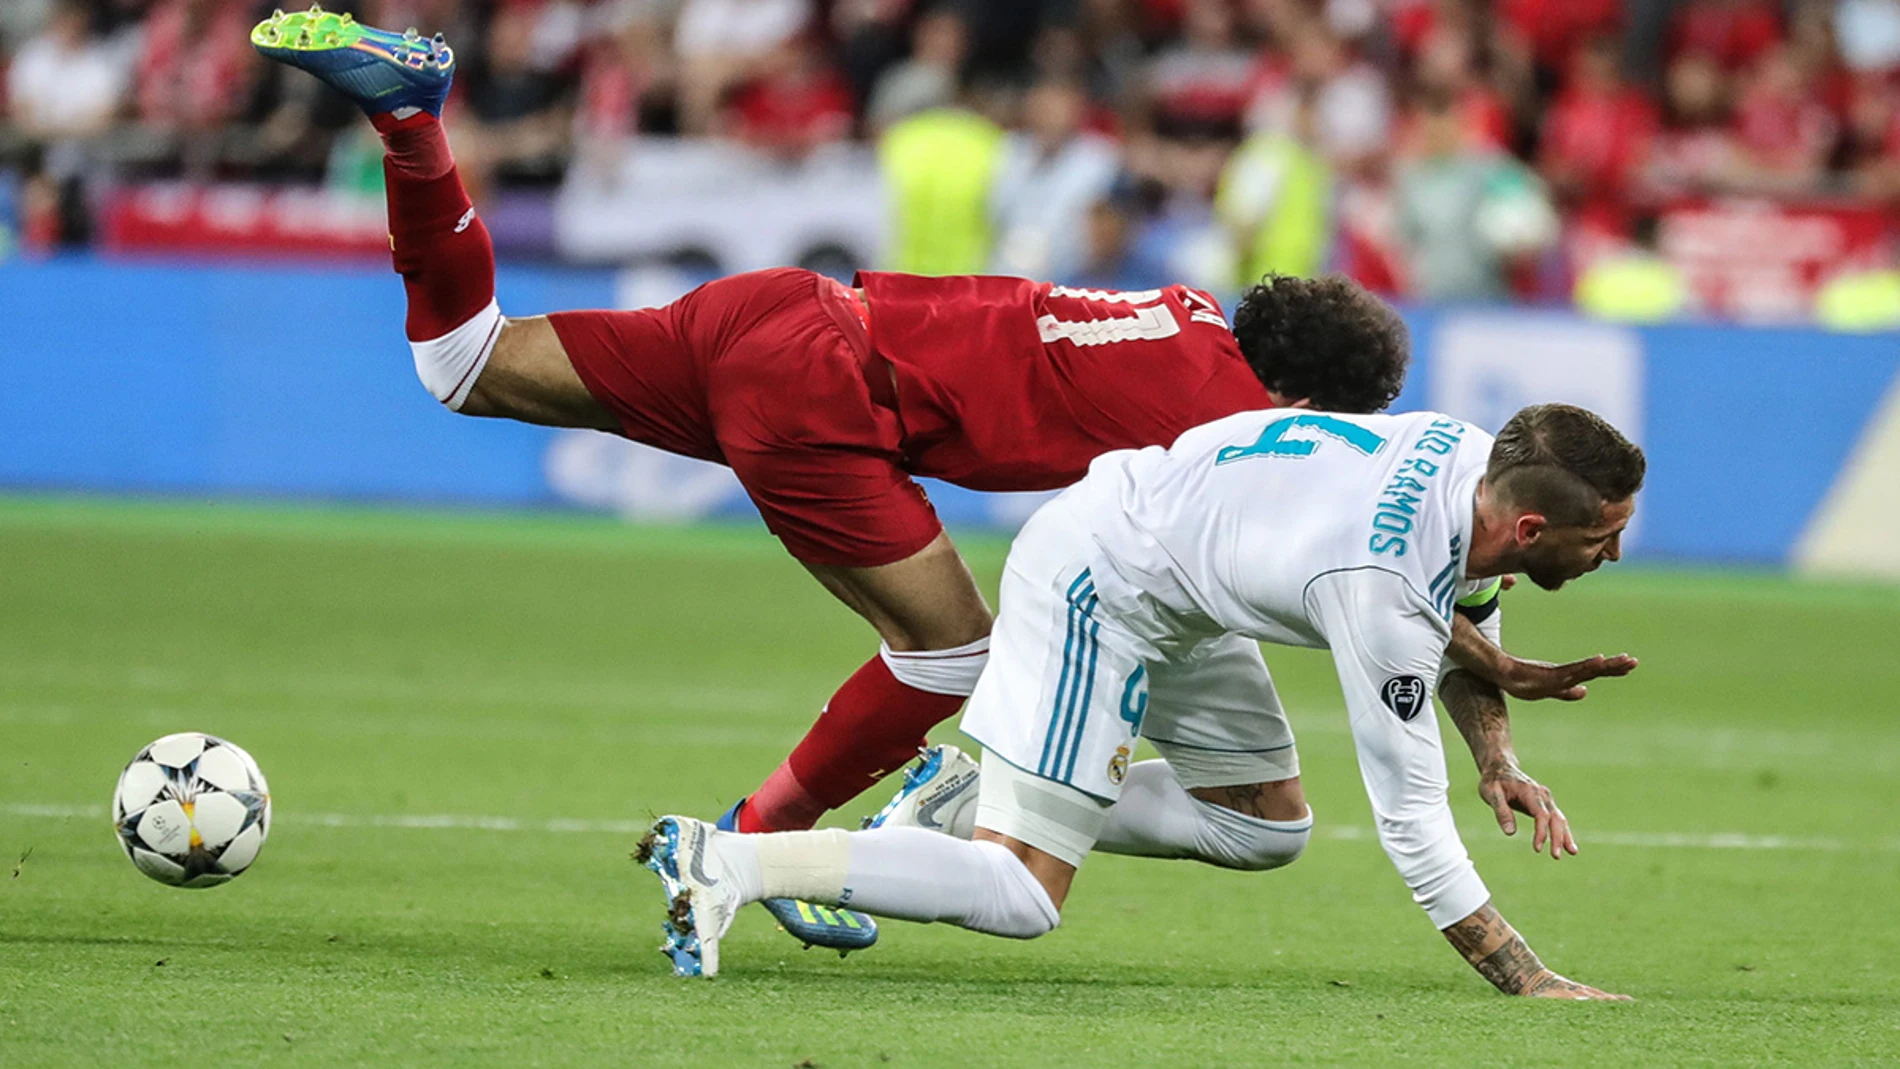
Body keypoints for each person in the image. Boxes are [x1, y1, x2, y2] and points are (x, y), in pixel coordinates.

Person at [249, 7, 1633, 953]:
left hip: (781, 311)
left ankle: (417, 126)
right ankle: (756, 841)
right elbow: (1381, 558)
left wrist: (1481, 685)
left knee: (466, 360)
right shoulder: (1238, 418)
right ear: (1307, 401)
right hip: (828, 401)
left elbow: (1407, 551)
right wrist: (1474, 669)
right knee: (952, 646)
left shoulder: (1182, 315)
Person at [636, 403, 1644, 998]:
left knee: (1263, 826)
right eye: (1600, 535)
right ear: (1524, 526)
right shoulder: (1378, 585)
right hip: (1102, 583)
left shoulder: (1475, 456)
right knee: (1021, 895)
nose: (1612, 552)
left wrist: (1497, 757)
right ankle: (724, 860)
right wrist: (1527, 977)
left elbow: (1467, 602)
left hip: (1185, 584)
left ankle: (960, 798)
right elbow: (1412, 820)